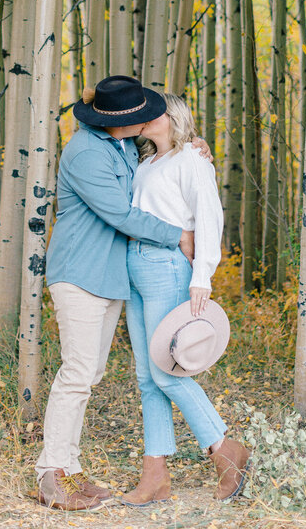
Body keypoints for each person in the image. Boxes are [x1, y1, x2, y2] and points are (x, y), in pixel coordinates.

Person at [35, 75, 204, 512]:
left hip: (110, 277)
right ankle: (51, 474)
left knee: (88, 375)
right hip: (79, 274)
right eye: (140, 116)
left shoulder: (125, 146)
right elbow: (121, 214)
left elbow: (159, 171)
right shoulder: (85, 152)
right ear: (121, 121)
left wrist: (192, 147)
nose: (148, 119)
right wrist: (178, 236)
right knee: (76, 373)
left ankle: (69, 469)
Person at [121, 94, 250, 505]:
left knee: (166, 371)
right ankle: (155, 476)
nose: (141, 119)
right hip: (135, 267)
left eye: (149, 112)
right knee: (147, 377)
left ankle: (225, 450)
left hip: (167, 268)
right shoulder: (145, 162)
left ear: (171, 116)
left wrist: (203, 276)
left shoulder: (192, 158)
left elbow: (209, 214)